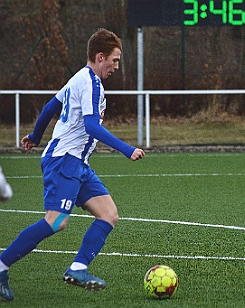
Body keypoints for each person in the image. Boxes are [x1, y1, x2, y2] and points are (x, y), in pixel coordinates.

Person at [0, 28, 145, 301]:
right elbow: (91, 126)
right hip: (65, 160)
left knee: (109, 214)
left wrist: (35, 136)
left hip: (77, 162)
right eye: (114, 60)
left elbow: (48, 108)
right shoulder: (89, 83)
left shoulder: (79, 77)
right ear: (100, 57)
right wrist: (127, 149)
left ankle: (78, 267)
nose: (116, 66)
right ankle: (1, 265)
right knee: (56, 222)